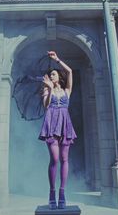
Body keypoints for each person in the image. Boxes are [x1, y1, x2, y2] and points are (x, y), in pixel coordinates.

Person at [39, 51, 77, 209]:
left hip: (65, 125)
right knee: (54, 159)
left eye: (53, 74)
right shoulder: (47, 90)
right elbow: (46, 106)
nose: (51, 76)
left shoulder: (67, 90)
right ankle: (52, 192)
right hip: (51, 124)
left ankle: (62, 193)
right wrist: (47, 89)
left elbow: (69, 71)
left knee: (64, 159)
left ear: (58, 77)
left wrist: (57, 60)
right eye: (50, 75)